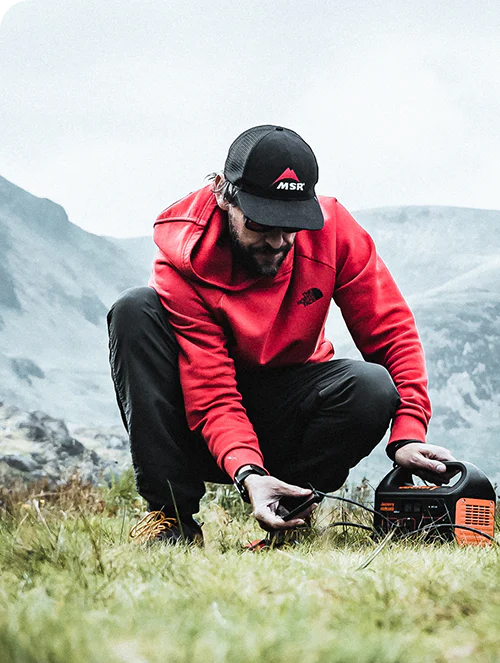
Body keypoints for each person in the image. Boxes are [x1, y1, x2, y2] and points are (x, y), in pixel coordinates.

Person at [107, 124, 453, 543]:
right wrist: (248, 472)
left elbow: (391, 331)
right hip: (201, 425)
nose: (277, 240)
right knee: (134, 310)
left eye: (290, 225)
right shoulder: (182, 264)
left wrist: (408, 432)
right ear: (222, 194)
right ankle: (171, 518)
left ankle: (289, 516)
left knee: (371, 387)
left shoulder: (333, 229)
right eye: (261, 224)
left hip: (288, 411)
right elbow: (213, 391)